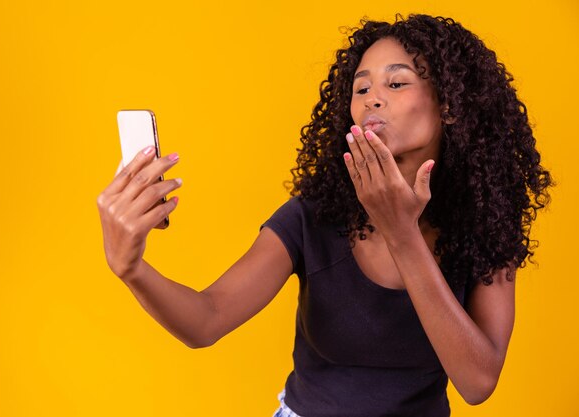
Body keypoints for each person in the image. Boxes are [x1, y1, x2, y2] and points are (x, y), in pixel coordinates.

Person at [97, 14, 552, 416]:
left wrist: (402, 234)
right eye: (361, 88)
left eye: (396, 83)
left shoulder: (485, 223)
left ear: (449, 105)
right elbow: (205, 320)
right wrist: (132, 268)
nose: (373, 98)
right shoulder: (311, 216)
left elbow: (478, 383)